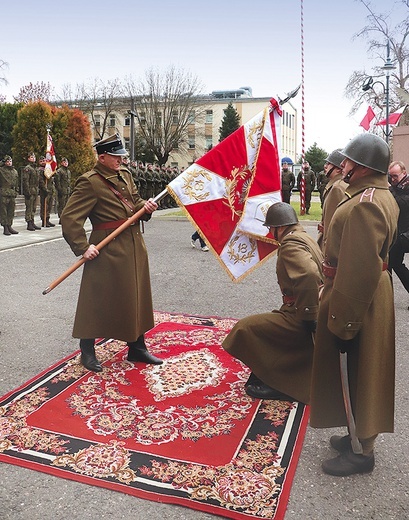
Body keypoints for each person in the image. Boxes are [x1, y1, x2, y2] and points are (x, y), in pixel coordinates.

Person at [309, 134, 399, 477]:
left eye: (347, 161)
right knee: (359, 368)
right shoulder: (373, 195)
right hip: (366, 292)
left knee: (360, 371)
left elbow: (358, 269)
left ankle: (363, 452)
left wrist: (345, 323)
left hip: (359, 296)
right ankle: (355, 433)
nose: (342, 165)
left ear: (361, 168)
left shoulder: (366, 203)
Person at [60, 133, 163, 372]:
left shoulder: (124, 175)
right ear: (103, 157)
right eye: (116, 157)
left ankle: (136, 346)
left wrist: (145, 208)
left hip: (134, 245)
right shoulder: (90, 182)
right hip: (107, 248)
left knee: (135, 296)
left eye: (122, 156)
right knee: (95, 299)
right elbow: (69, 218)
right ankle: (87, 351)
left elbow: (134, 203)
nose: (120, 160)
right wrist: (83, 247)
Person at [222, 202, 323, 404]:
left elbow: (309, 275)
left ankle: (279, 384)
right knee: (267, 323)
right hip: (307, 306)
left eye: (271, 228)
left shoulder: (290, 245)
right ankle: (273, 374)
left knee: (245, 328)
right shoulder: (303, 236)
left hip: (302, 311)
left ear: (279, 227)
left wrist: (308, 315)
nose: (270, 233)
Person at [317, 149, 346, 251]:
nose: (325, 166)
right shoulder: (337, 185)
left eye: (329, 163)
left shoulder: (337, 188)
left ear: (338, 169)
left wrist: (328, 250)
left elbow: (332, 225)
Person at [387, 160, 409, 297]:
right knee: (392, 263)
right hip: (399, 233)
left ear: (404, 173)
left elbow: (403, 203)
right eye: (391, 176)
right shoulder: (395, 187)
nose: (393, 179)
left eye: (395, 176)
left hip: (404, 234)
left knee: (393, 263)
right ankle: (385, 296)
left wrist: (390, 190)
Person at [0, 155, 19, 235]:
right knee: (3, 211)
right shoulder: (1, 170)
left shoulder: (14, 171)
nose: (9, 163)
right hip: (3, 192)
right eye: (7, 161)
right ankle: (5, 227)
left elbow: (17, 182)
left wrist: (16, 191)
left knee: (11, 211)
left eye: (10, 161)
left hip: (12, 193)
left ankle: (9, 225)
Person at [22, 151, 41, 231]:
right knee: (29, 207)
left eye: (34, 157)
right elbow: (25, 181)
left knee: (33, 207)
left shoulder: (36, 168)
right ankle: (29, 222)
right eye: (31, 157)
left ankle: (32, 221)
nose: (33, 158)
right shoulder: (27, 168)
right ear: (28, 159)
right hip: (30, 190)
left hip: (35, 190)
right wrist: (27, 192)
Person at [38, 155, 56, 227]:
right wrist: (45, 189)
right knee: (44, 206)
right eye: (41, 161)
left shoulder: (48, 169)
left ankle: (48, 219)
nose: (43, 162)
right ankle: (44, 220)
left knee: (50, 205)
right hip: (44, 190)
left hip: (50, 189)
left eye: (44, 161)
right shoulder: (40, 170)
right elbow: (41, 181)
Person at [54, 157, 71, 222]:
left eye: (66, 162)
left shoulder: (68, 171)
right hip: (62, 190)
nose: (66, 163)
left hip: (67, 191)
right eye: (64, 162)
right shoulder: (59, 171)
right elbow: (57, 182)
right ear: (61, 163)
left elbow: (69, 181)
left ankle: (66, 218)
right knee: (61, 205)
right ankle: (61, 218)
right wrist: (59, 190)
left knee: (67, 205)